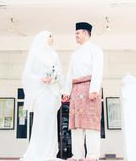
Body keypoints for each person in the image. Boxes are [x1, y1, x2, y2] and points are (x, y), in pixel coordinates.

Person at [62, 22, 103, 161]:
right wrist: (66, 92)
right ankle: (77, 155)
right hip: (76, 90)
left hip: (90, 88)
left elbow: (97, 70)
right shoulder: (75, 54)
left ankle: (92, 155)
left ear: (86, 33)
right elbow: (70, 73)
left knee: (90, 123)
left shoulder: (95, 49)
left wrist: (94, 90)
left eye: (78, 33)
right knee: (76, 125)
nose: (76, 36)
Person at [21, 31, 63, 161]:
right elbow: (27, 74)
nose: (52, 39)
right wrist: (41, 78)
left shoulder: (54, 54)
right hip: (40, 92)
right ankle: (37, 152)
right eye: (50, 36)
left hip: (51, 92)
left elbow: (60, 72)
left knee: (51, 121)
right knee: (40, 121)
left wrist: (53, 78)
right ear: (43, 38)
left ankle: (50, 153)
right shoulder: (35, 53)